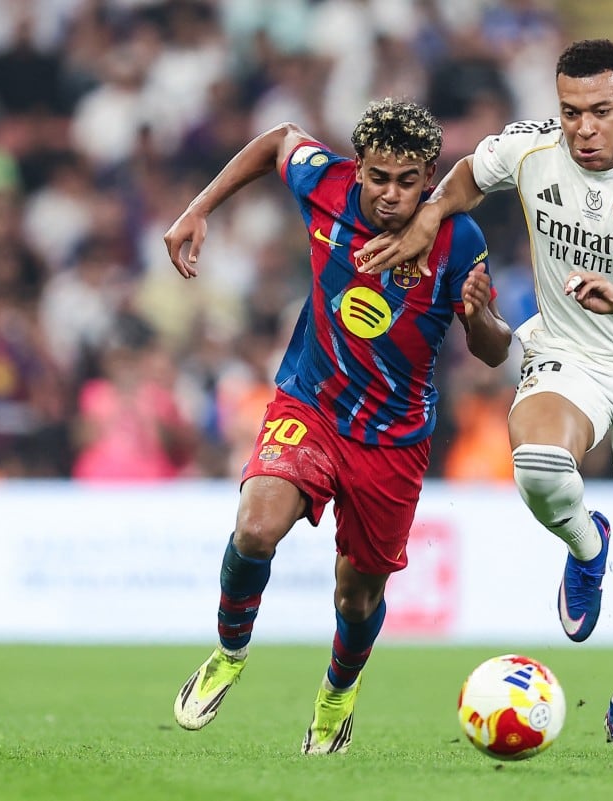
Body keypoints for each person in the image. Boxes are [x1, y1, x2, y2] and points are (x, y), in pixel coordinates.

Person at [355, 39, 613, 759]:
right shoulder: (531, 147)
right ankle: (588, 544)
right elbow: (467, 173)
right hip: (568, 349)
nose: (584, 127)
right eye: (571, 111)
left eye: (600, 111)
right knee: (541, 459)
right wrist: (430, 215)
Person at [163, 99, 511, 754]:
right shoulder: (325, 183)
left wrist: (482, 315)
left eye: (408, 181)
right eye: (378, 177)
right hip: (311, 404)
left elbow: (493, 352)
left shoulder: (459, 238)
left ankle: (337, 693)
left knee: (356, 598)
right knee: (256, 526)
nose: (391, 194)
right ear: (358, 169)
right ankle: (229, 653)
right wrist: (199, 207)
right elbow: (278, 139)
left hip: (394, 437)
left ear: (429, 177)